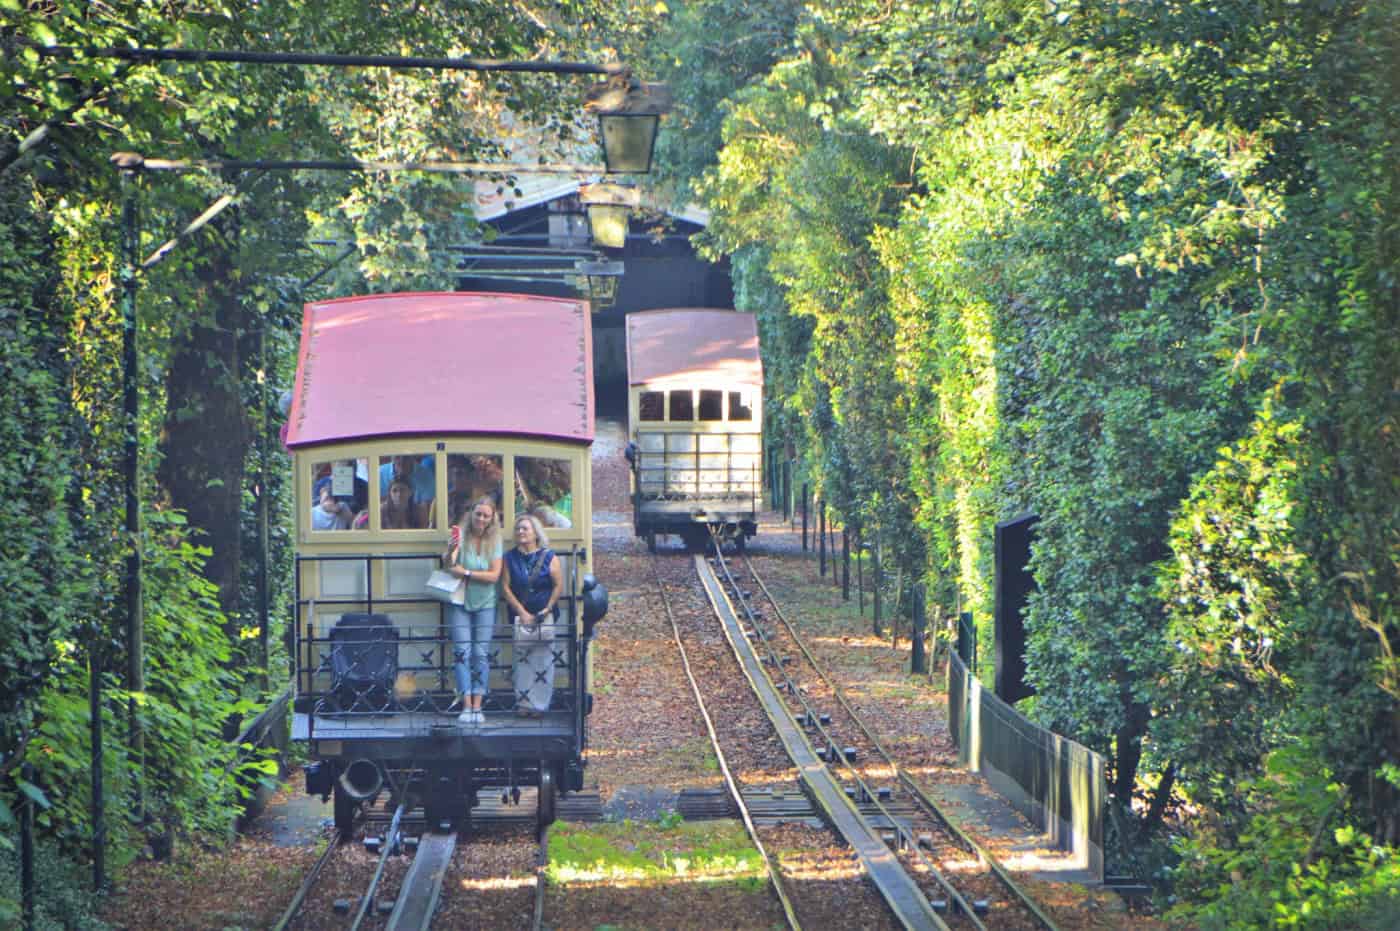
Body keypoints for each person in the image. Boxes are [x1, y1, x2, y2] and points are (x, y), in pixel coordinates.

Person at [442, 496, 503, 727]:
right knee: (462, 652)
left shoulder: (494, 541)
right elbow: (450, 565)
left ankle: (478, 703)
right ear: (471, 514)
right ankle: (466, 703)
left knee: (481, 652)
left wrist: (466, 573)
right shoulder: (461, 536)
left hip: (486, 601)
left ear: (491, 518)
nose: (481, 519)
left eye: (486, 515)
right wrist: (450, 549)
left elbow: (494, 576)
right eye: (478, 514)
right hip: (460, 600)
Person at [501, 513, 564, 717]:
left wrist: (547, 609)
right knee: (522, 661)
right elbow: (505, 587)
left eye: (525, 528)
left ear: (535, 533)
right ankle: (524, 703)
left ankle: (540, 705)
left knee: (544, 660)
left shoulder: (549, 557)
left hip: (544, 615)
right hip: (521, 616)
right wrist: (521, 611)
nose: (521, 532)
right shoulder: (509, 558)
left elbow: (558, 585)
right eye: (518, 529)